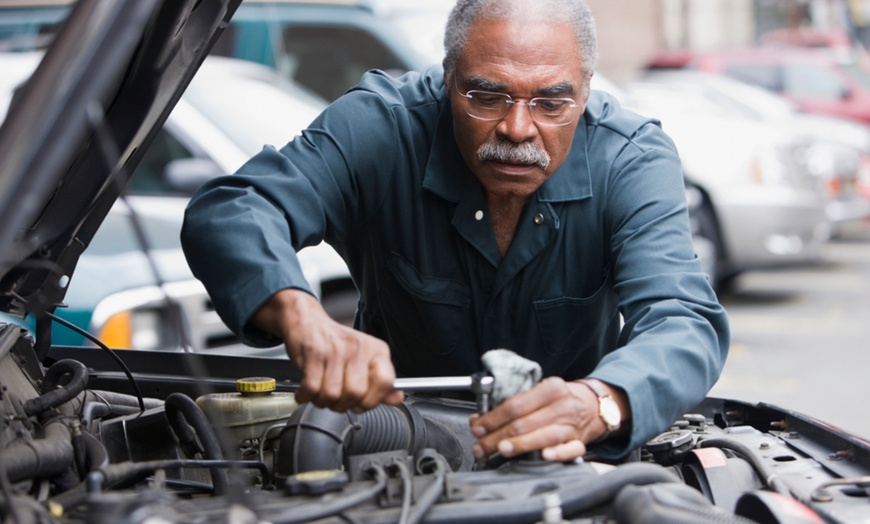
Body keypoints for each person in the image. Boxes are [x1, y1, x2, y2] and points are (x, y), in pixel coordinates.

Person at [181, 0, 729, 462]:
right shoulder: (381, 128)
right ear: (447, 78)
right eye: (486, 96)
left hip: (574, 466)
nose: (518, 128)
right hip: (390, 455)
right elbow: (234, 208)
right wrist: (299, 314)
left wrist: (604, 400)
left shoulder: (629, 160)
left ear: (586, 92)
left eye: (551, 102)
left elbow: (683, 319)